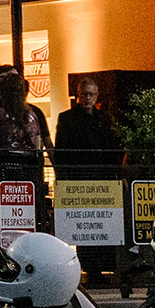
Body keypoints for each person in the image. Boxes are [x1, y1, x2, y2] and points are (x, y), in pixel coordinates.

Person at [53, 78, 121, 281]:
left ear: (97, 95)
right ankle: (91, 268)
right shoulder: (67, 118)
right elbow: (61, 150)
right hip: (79, 178)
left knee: (101, 224)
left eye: (91, 94)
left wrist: (114, 174)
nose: (88, 98)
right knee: (84, 225)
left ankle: (98, 267)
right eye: (84, 94)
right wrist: (63, 178)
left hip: (101, 178)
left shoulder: (104, 118)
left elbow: (111, 148)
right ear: (78, 95)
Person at [0, 68, 47, 209]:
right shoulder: (33, 115)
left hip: (2, 172)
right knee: (25, 213)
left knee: (2, 213)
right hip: (27, 172)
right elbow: (37, 146)